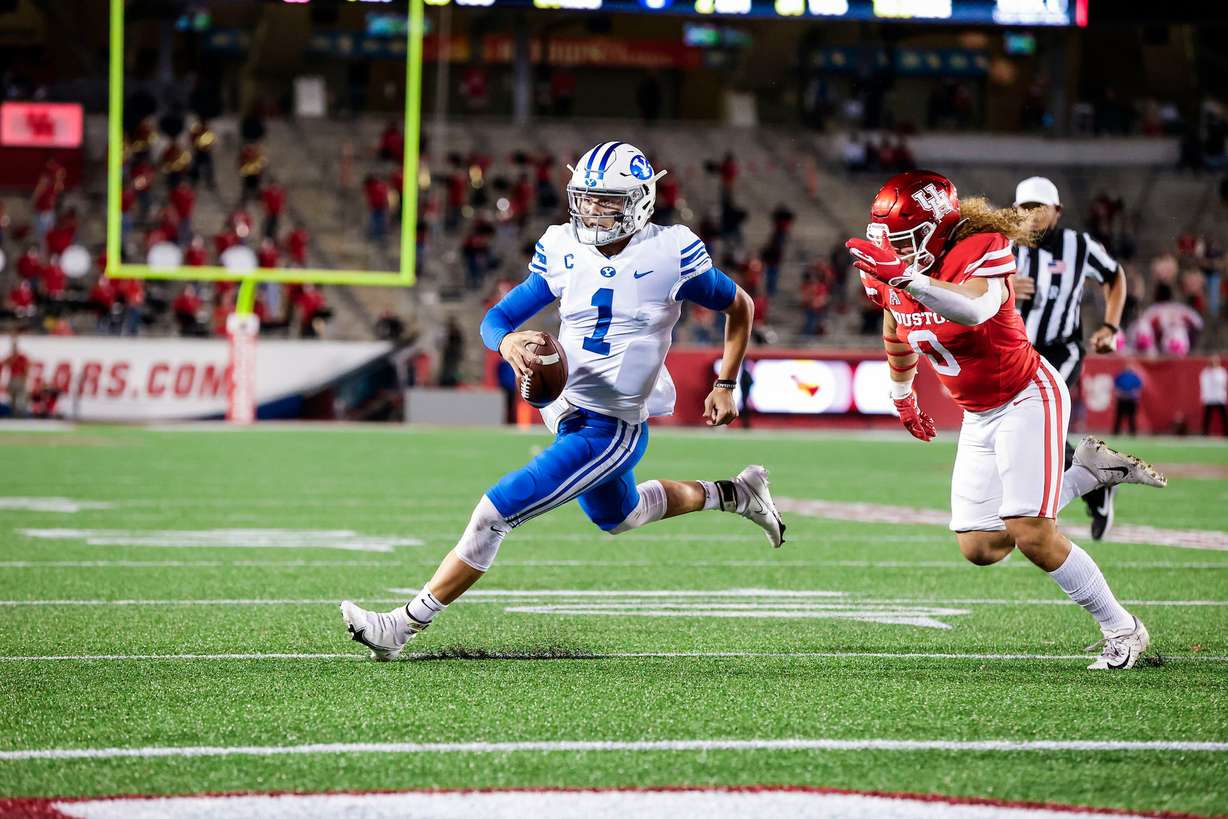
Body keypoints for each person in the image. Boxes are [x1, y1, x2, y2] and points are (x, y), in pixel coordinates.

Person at [341, 142, 784, 659]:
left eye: (607, 201)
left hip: (611, 428)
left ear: (640, 201)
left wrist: (726, 383)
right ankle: (736, 493)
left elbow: (741, 306)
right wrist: (507, 343)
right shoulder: (563, 245)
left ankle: (400, 625)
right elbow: (495, 320)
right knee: (621, 515)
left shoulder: (671, 251)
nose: (592, 211)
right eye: (586, 198)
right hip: (567, 410)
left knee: (494, 513)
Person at [847, 170, 1166, 670]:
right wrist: (902, 392)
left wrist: (910, 278)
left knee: (1033, 534)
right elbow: (895, 320)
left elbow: (974, 311)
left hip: (1026, 394)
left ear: (937, 225)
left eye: (907, 239)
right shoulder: (892, 273)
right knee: (980, 545)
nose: (897, 250)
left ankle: (1123, 630)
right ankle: (1085, 474)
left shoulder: (981, 246)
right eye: (892, 242)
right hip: (978, 412)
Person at [1010, 176, 1129, 541]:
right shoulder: (1002, 246)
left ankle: (1044, 504)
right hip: (1015, 352)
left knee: (1035, 422)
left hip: (1061, 348)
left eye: (1039, 208)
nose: (1031, 216)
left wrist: (1110, 325)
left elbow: (1114, 276)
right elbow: (969, 283)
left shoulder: (1078, 245)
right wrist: (1003, 285)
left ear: (1057, 211)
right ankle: (1095, 480)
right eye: (1025, 208)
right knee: (1025, 429)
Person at [1201, 355, 1228, 436]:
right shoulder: (1206, 372)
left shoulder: (1222, 371)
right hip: (1209, 398)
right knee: (1207, 417)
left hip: (1219, 397)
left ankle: (1226, 432)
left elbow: (1223, 383)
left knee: (1224, 416)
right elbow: (1204, 385)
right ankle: (1205, 433)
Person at [1113, 366, 1143, 436]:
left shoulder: (1131, 377)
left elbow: (1137, 389)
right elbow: (1116, 388)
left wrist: (1123, 394)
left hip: (1127, 399)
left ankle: (1130, 432)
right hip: (1127, 399)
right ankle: (1120, 432)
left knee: (1129, 418)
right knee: (1123, 417)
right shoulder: (1122, 376)